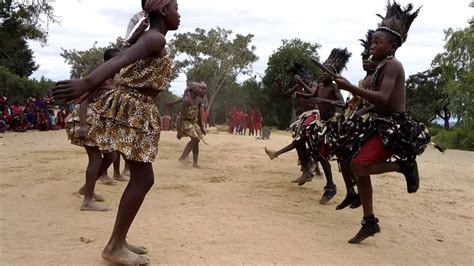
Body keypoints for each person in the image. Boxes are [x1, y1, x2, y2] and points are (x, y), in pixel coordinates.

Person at [53, 0, 180, 263]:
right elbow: (120, 60)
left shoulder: (150, 38)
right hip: (133, 107)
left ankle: (118, 240)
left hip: (135, 106)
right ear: (164, 10)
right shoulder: (155, 38)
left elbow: (125, 65)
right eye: (177, 8)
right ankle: (114, 245)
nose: (180, 14)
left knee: (141, 177)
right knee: (143, 179)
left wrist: (89, 85)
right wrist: (87, 82)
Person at [334, 2, 428, 244]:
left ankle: (403, 167)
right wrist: (359, 110)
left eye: (377, 43)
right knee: (351, 161)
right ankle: (370, 222)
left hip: (392, 128)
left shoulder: (394, 66)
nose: (372, 46)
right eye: (372, 42)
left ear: (392, 47)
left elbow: (385, 100)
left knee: (358, 165)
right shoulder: (378, 70)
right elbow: (377, 104)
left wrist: (350, 88)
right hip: (377, 122)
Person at [65, 48, 122, 210]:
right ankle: (87, 201)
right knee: (96, 158)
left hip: (100, 122)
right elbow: (84, 100)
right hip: (88, 119)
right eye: (119, 59)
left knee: (111, 155)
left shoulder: (113, 79)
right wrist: (83, 125)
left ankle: (87, 188)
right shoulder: (100, 76)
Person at [297, 48, 351, 203]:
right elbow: (312, 96)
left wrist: (324, 101)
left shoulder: (334, 87)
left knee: (324, 155)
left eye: (326, 72)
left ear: (332, 74)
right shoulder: (320, 86)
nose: (323, 74)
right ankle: (314, 174)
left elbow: (342, 103)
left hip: (332, 124)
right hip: (320, 122)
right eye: (322, 71)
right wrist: (301, 95)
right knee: (305, 143)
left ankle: (332, 187)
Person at [177, 81, 207, 168]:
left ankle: (195, 162)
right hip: (186, 122)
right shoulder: (186, 101)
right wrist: (179, 131)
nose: (201, 89)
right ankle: (182, 157)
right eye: (199, 88)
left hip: (194, 122)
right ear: (193, 90)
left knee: (197, 141)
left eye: (201, 88)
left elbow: (199, 115)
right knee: (195, 139)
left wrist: (201, 127)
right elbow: (182, 117)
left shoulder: (198, 100)